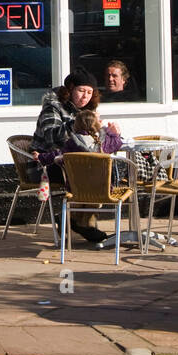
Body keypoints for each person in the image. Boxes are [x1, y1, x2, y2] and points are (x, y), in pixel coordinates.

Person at [30, 68, 114, 244]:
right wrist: (77, 123)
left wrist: (108, 133)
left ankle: (77, 219)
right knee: (90, 175)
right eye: (81, 91)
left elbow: (90, 142)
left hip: (74, 164)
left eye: (90, 93)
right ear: (70, 89)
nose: (85, 97)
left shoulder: (88, 109)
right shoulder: (53, 106)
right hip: (46, 164)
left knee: (104, 173)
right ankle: (80, 222)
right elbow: (51, 136)